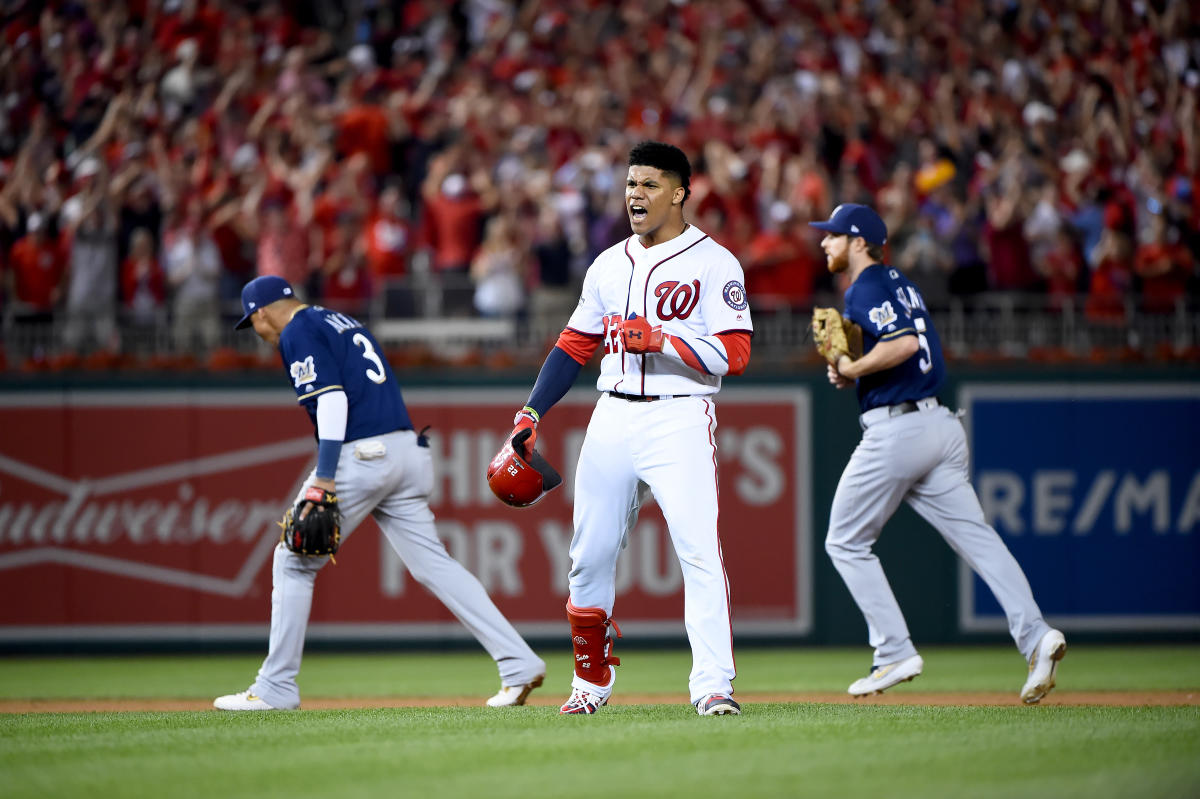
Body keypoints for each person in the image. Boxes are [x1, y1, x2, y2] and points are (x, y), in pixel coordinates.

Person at [497, 141, 753, 716]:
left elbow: (735, 353)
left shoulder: (715, 262)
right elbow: (573, 346)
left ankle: (713, 686)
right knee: (588, 555)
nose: (635, 195)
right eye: (631, 184)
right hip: (611, 412)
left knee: (699, 553)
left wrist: (664, 339)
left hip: (680, 414)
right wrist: (531, 413)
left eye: (650, 185)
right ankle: (590, 685)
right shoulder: (608, 263)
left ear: (680, 192)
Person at [215, 275, 545, 711]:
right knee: (435, 566)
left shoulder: (298, 330)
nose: (257, 332)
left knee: (292, 561)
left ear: (261, 312)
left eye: (252, 322)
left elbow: (332, 400)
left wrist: (325, 478)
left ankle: (276, 686)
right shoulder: (342, 321)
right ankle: (518, 663)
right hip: (407, 451)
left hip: (362, 454)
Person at [809, 203, 1066, 704]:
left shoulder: (865, 286)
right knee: (979, 540)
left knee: (845, 541)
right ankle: (1037, 636)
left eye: (834, 235)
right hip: (940, 427)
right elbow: (898, 345)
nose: (824, 242)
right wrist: (853, 365)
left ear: (858, 241)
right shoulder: (899, 283)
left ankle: (893, 651)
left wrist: (854, 368)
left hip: (899, 431)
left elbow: (903, 344)